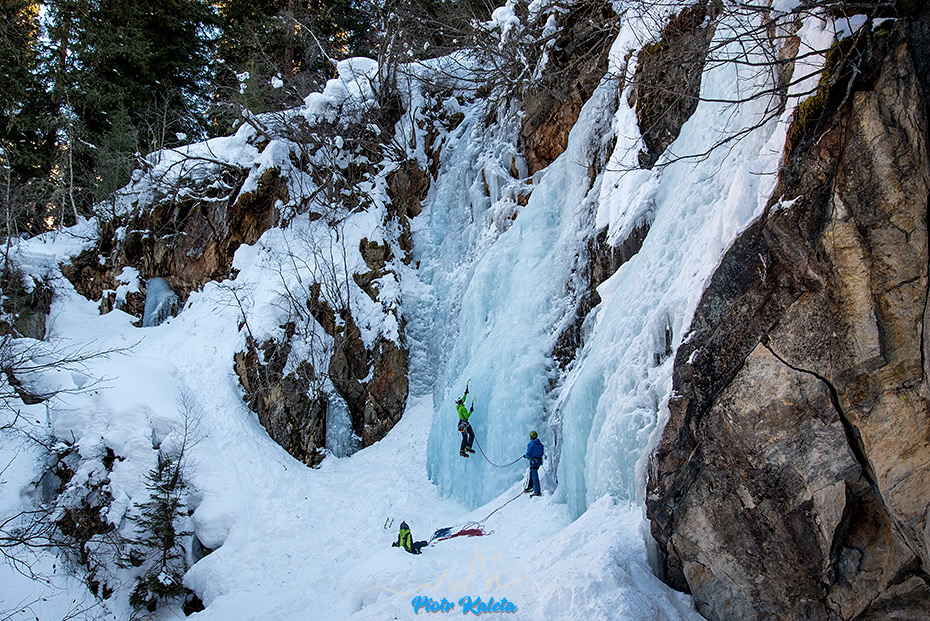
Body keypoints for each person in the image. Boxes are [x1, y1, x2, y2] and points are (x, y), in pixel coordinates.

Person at [456, 383, 475, 458]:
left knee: (464, 437)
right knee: (471, 434)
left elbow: (463, 400)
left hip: (460, 424)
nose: (462, 400)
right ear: (460, 402)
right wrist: (471, 411)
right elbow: (466, 416)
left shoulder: (458, 407)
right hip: (465, 424)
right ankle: (468, 446)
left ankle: (462, 450)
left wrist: (465, 393)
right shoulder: (463, 408)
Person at [524, 431, 543, 497]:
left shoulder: (531, 444)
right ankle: (530, 486)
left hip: (533, 461)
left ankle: (537, 491)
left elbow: (529, 453)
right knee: (532, 473)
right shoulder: (540, 444)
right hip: (539, 461)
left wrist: (526, 456)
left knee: (534, 475)